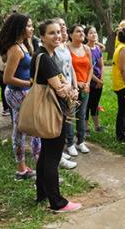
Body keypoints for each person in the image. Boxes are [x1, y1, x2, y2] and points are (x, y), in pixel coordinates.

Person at [33, 19, 81, 212]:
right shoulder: (45, 57)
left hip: (47, 109)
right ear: (42, 37)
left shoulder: (43, 55)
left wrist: (66, 87)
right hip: (52, 111)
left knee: (45, 154)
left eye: (58, 32)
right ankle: (57, 202)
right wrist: (70, 88)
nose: (57, 36)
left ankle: (42, 193)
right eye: (51, 33)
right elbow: (60, 89)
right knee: (52, 156)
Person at [0, 13, 40, 180]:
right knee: (27, 130)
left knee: (27, 130)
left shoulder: (23, 45)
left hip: (22, 92)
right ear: (20, 28)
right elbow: (7, 78)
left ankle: (31, 166)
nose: (32, 28)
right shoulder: (15, 49)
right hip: (17, 93)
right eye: (29, 26)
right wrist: (29, 83)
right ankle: (27, 168)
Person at [53, 18, 77, 170]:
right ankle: (58, 154)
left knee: (67, 119)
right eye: (58, 26)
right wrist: (65, 87)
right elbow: (54, 71)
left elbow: (71, 68)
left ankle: (63, 148)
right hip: (59, 89)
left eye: (63, 25)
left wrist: (74, 86)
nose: (62, 27)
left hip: (69, 88)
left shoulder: (64, 46)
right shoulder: (52, 48)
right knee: (58, 122)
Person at [66, 24, 92, 156]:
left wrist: (87, 83)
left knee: (82, 115)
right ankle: (70, 143)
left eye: (82, 31)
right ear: (71, 35)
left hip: (85, 87)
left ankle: (80, 141)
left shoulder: (87, 48)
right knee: (70, 115)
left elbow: (91, 67)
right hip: (72, 88)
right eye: (78, 31)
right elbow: (66, 69)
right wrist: (75, 85)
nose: (82, 33)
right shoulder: (66, 48)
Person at [85, 26, 104, 133]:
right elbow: (88, 69)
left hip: (98, 81)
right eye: (91, 33)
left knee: (95, 104)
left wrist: (101, 79)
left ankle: (97, 126)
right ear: (86, 36)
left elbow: (101, 65)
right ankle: (86, 128)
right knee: (87, 105)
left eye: (95, 32)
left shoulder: (97, 48)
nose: (94, 34)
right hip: (89, 81)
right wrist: (97, 81)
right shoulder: (85, 49)